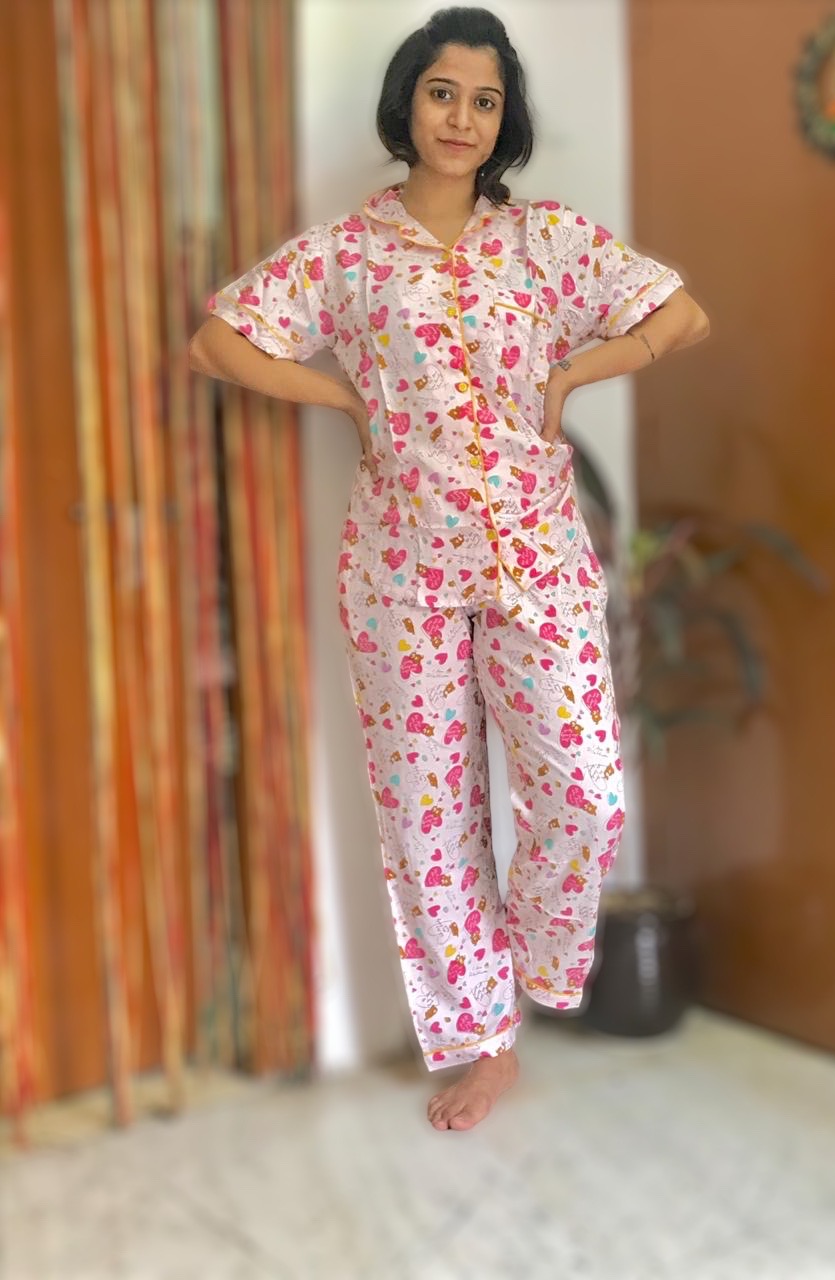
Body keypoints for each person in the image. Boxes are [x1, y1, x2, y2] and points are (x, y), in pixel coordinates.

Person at [188, 6, 709, 1132]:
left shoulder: (546, 241)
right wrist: (341, 396)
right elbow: (219, 339)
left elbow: (681, 314)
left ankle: (534, 967)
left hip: (537, 558)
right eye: (442, 93)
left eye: (484, 100)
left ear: (503, 118)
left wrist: (571, 377)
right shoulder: (346, 255)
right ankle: (485, 1039)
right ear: (408, 102)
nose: (462, 118)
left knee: (583, 790)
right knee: (430, 824)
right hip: (402, 568)